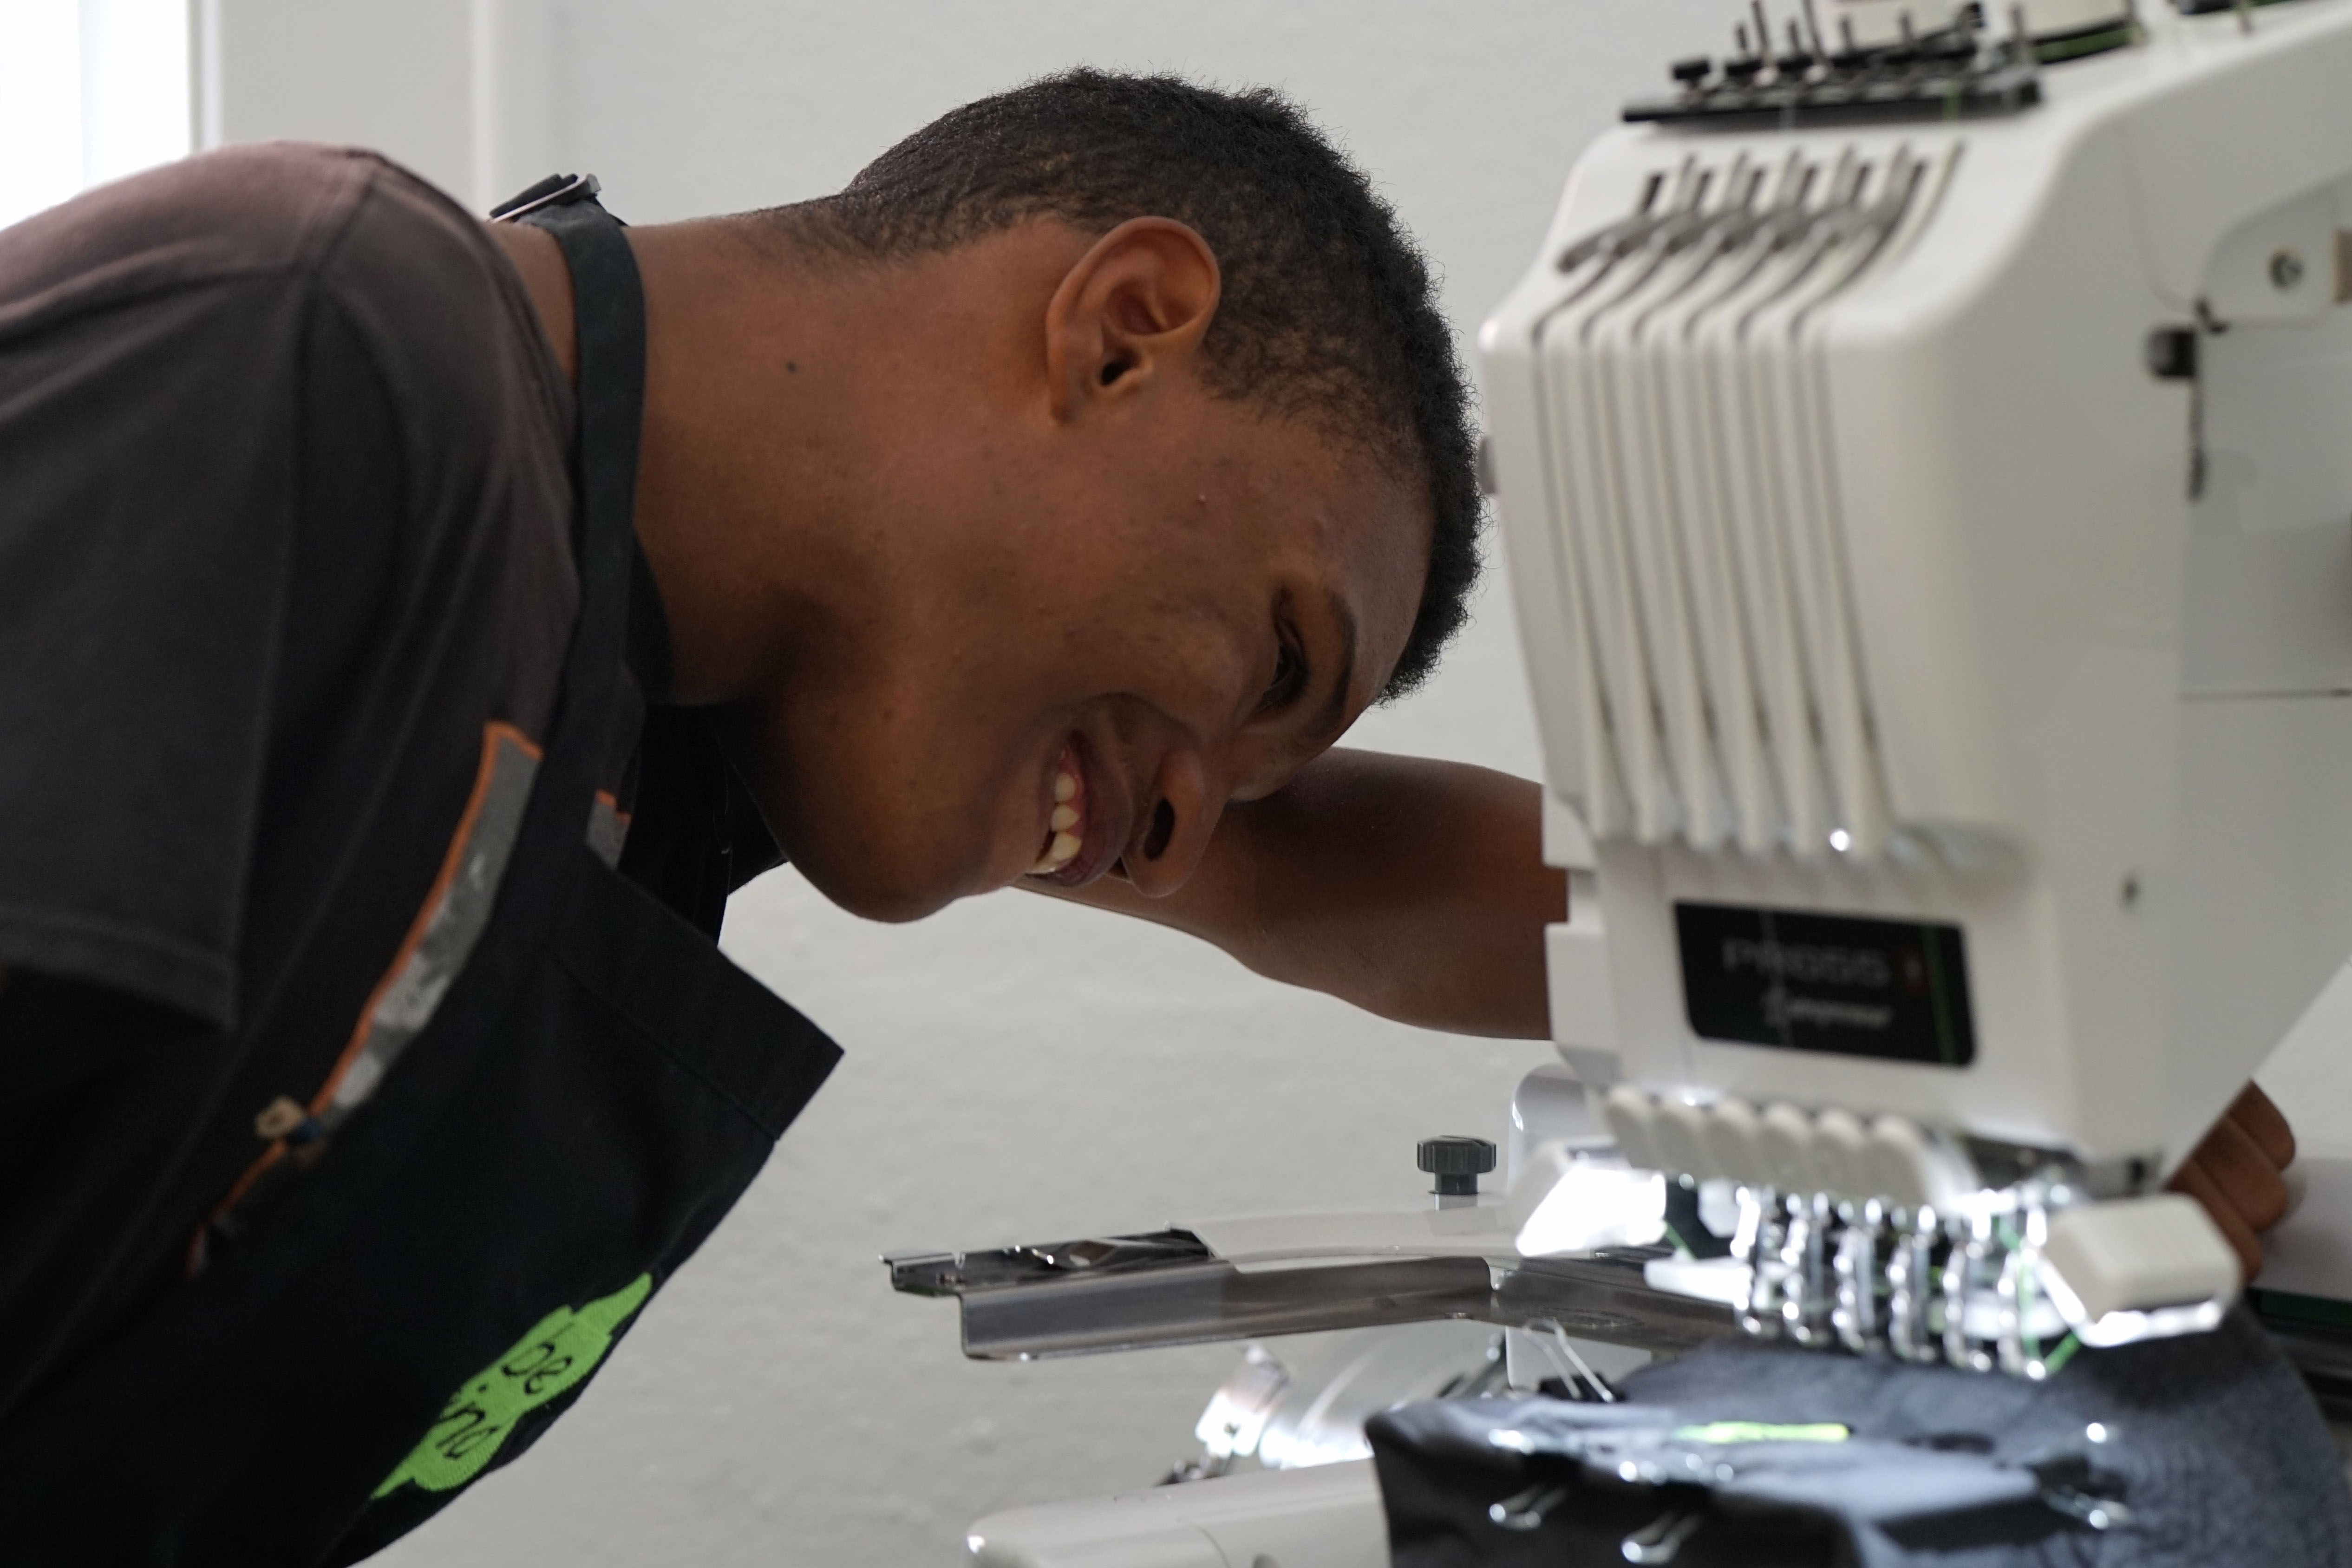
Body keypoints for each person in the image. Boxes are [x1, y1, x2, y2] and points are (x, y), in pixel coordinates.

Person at [0, 68, 2293, 1561]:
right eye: (1271, 661)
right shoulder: (316, 368)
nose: (1186, 808)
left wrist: (2019, 1018)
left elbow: (1318, 875)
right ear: (1120, 327)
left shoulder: (659, 725)